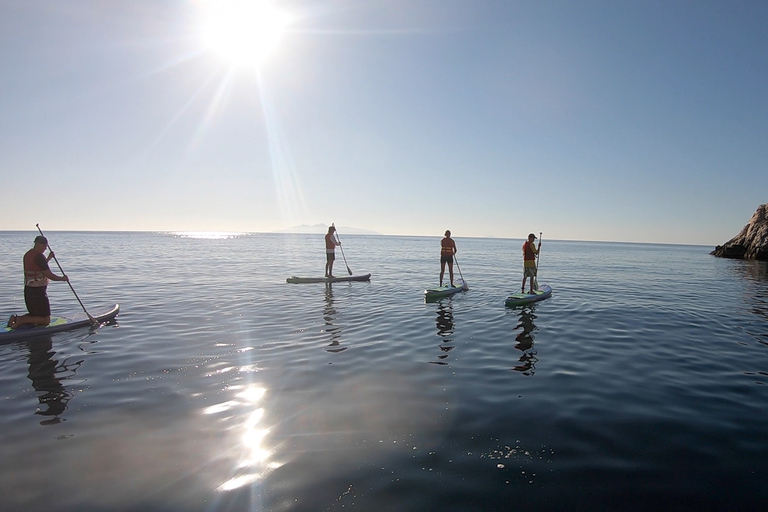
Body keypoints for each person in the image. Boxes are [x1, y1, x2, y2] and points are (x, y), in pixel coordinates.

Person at [7, 236, 69, 329]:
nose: (45, 248)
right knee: (45, 320)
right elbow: (49, 275)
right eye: (45, 246)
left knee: (35, 314)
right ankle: (21, 320)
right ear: (40, 244)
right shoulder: (39, 256)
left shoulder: (28, 254)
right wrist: (63, 278)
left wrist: (48, 259)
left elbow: (38, 267)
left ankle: (15, 319)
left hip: (28, 290)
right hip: (38, 292)